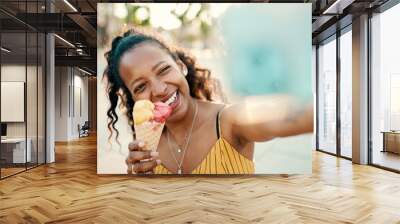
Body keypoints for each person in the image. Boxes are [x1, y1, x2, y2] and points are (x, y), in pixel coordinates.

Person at [104, 28, 313, 175]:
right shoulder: (148, 146)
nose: (158, 90)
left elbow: (288, 116)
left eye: (164, 70)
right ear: (132, 97)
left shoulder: (230, 122)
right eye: (141, 86)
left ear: (181, 67)